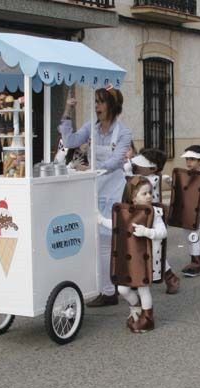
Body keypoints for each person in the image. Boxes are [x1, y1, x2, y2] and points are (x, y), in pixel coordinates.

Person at [59, 86, 132, 307]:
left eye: (101, 102)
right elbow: (70, 141)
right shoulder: (92, 126)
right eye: (96, 102)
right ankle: (106, 285)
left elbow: (116, 162)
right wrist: (67, 111)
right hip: (93, 187)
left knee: (105, 240)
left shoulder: (124, 133)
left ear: (112, 106)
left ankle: (109, 291)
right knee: (93, 238)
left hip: (113, 190)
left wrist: (91, 168)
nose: (97, 107)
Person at [98, 176, 166, 333]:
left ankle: (148, 318)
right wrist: (101, 220)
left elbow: (162, 232)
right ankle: (136, 308)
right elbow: (116, 225)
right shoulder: (126, 212)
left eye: (150, 192)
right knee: (122, 288)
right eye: (144, 193)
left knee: (143, 289)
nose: (149, 196)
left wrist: (147, 232)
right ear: (133, 198)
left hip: (146, 258)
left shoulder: (154, 213)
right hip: (128, 258)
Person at [128, 147, 180, 294]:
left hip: (154, 217)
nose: (137, 167)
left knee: (155, 250)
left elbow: (134, 180)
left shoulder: (151, 179)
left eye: (141, 165)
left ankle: (171, 277)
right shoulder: (148, 177)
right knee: (145, 248)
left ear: (153, 168)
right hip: (143, 215)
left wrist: (126, 169)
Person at [167, 145, 200, 278]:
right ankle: (192, 260)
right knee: (188, 238)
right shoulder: (185, 175)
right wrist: (171, 182)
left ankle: (196, 264)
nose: (188, 162)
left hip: (199, 214)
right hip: (187, 213)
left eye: (192, 159)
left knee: (194, 238)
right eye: (187, 159)